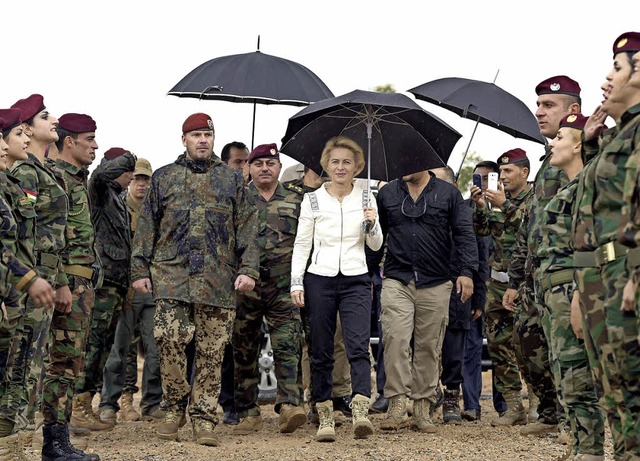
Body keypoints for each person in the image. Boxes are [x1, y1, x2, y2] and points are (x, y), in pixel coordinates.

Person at [131, 112, 259, 447]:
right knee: (169, 340)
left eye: (207, 134)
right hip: (172, 275)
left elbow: (247, 228)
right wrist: (139, 270)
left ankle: (204, 417)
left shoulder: (231, 180)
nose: (202, 140)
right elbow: (147, 226)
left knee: (212, 351)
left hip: (218, 281)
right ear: (183, 139)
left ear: (214, 139)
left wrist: (248, 269)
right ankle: (173, 408)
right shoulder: (164, 177)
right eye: (196, 135)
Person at [505, 76, 582, 439]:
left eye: (548, 105)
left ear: (573, 111)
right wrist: (517, 279)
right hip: (536, 276)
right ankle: (550, 411)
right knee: (527, 342)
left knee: (564, 348)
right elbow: (530, 225)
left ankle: (574, 420)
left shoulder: (582, 157)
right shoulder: (547, 162)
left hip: (566, 272)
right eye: (538, 105)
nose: (539, 112)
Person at [290, 136, 381, 442]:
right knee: (320, 349)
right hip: (320, 278)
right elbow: (302, 244)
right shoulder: (313, 200)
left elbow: (376, 244)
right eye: (335, 162)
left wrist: (373, 223)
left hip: (356, 277)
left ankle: (360, 411)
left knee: (357, 345)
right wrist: (296, 282)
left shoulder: (368, 195)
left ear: (358, 166)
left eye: (347, 162)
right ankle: (324, 413)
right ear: (326, 165)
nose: (341, 167)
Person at [575, 32, 640, 461]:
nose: (606, 78)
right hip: (604, 276)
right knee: (615, 390)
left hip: (628, 275)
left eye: (617, 67)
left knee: (632, 387)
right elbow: (593, 216)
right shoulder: (618, 136)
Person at [377, 163, 477, 433]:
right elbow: (378, 237)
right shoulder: (387, 194)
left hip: (436, 280)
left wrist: (467, 272)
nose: (404, 163)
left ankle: (423, 407)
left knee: (429, 345)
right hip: (397, 279)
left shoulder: (448, 194)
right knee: (395, 337)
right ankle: (397, 403)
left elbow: (465, 234)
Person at [536, 113, 606, 460]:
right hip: (552, 293)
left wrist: (581, 295)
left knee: (577, 377)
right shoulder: (566, 187)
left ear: (578, 144)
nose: (552, 142)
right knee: (564, 373)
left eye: (560, 137)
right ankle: (580, 446)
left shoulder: (588, 184)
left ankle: (590, 452)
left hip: (571, 290)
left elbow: (589, 245)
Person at [231, 143, 307, 436]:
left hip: (283, 288)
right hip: (244, 288)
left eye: (270, 164)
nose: (265, 168)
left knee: (288, 347)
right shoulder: (238, 199)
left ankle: (289, 405)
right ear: (248, 168)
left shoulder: (297, 199)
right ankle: (248, 412)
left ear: (279, 167)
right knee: (244, 350)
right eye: (258, 163)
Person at [8, 95, 68, 436]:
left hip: (43, 277)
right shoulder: (25, 172)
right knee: (22, 364)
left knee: (34, 362)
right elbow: (24, 232)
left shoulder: (44, 168)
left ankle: (22, 438)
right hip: (29, 279)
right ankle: (14, 438)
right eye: (45, 116)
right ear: (26, 129)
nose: (54, 119)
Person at [44, 113, 101, 460]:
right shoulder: (56, 179)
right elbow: (51, 237)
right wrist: (63, 283)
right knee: (61, 365)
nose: (95, 145)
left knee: (71, 364)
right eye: (89, 139)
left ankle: (59, 440)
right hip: (67, 283)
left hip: (82, 282)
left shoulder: (78, 179)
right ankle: (54, 444)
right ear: (70, 142)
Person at [0, 108, 56, 458]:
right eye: (17, 134)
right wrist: (29, 279)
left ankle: (14, 446)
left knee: (18, 373)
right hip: (12, 292)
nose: (23, 141)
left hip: (16, 293)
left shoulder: (9, 183)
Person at [70, 147, 136, 432]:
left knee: (103, 347)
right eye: (127, 172)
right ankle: (77, 406)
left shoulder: (117, 199)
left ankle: (87, 403)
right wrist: (127, 157)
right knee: (92, 346)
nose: (131, 176)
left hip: (117, 285)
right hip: (101, 285)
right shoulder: (98, 189)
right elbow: (99, 173)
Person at [285, 167, 355, 424]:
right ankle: (312, 398)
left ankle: (337, 395)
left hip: (334, 275)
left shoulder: (344, 188)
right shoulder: (291, 187)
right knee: (309, 343)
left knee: (337, 339)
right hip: (301, 275)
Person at [471, 148, 533, 427]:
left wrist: (505, 206)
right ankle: (513, 406)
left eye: (508, 171)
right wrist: (482, 209)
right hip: (497, 283)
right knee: (498, 346)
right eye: (501, 172)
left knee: (529, 346)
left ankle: (539, 404)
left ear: (524, 173)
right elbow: (482, 232)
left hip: (525, 284)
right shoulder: (496, 201)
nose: (503, 177)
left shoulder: (535, 199)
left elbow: (531, 230)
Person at [100, 157, 164, 423]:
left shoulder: (158, 211)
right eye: (136, 178)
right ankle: (109, 403)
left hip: (152, 288)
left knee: (156, 347)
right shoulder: (118, 208)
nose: (140, 183)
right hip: (125, 288)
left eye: (145, 179)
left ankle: (151, 403)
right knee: (119, 349)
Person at [431, 165, 485, 424]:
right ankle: (428, 395)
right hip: (429, 286)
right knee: (426, 346)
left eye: (440, 181)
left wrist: (480, 297)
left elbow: (479, 254)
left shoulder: (466, 211)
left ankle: (451, 396)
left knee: (455, 348)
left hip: (459, 289)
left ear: (453, 185)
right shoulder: (424, 208)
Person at [461, 160, 506, 422]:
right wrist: (477, 296)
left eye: (489, 178)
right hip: (476, 289)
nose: (484, 184)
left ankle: (505, 406)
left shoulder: (508, 208)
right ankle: (471, 405)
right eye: (479, 179)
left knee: (503, 350)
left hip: (504, 289)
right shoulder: (464, 210)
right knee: (471, 348)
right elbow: (470, 254)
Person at [217, 141, 251, 426]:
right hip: (222, 282)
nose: (243, 168)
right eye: (237, 162)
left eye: (246, 162)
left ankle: (242, 403)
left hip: (256, 282)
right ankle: (227, 403)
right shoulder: (219, 193)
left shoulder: (252, 195)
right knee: (224, 347)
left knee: (245, 347)